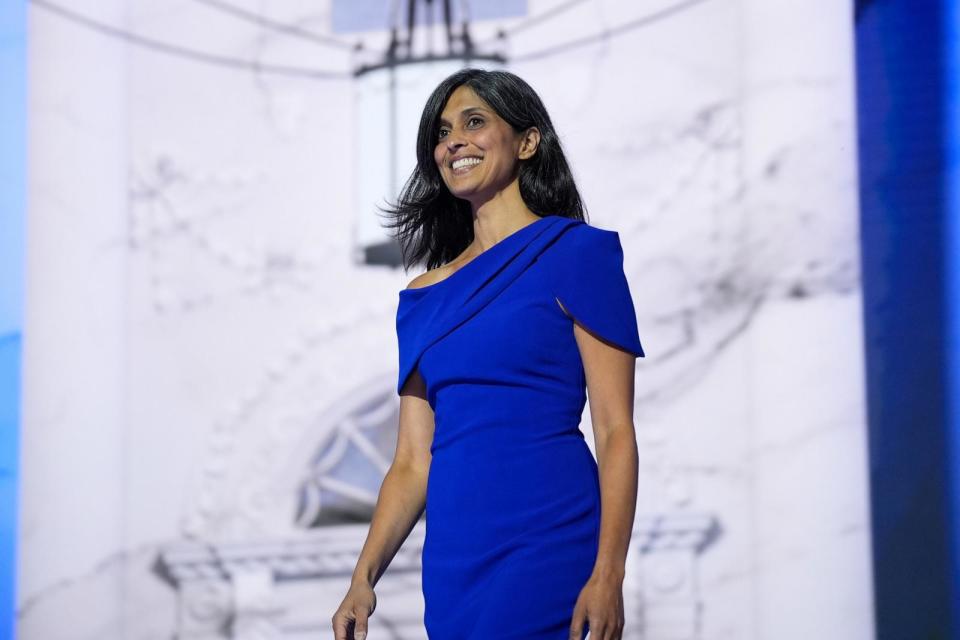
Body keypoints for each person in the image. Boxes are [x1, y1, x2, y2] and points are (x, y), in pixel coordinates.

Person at [332, 68, 645, 640]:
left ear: (528, 141)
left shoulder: (578, 254)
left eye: (475, 122)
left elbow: (616, 430)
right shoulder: (422, 298)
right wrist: (363, 576)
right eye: (443, 130)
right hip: (456, 560)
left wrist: (608, 574)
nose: (454, 140)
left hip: (550, 540)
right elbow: (410, 462)